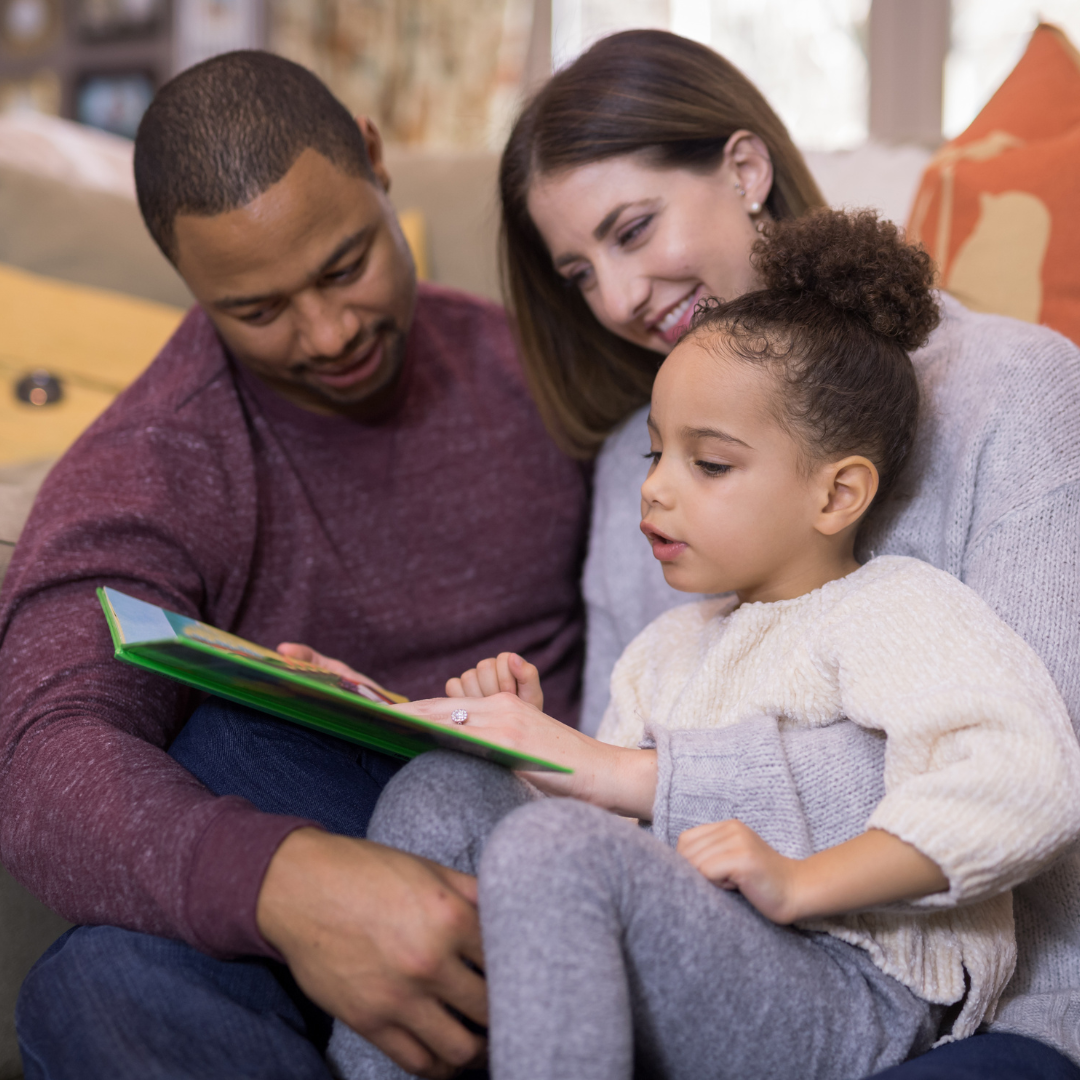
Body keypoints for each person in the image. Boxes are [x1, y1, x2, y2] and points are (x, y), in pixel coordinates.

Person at [325, 210, 1080, 1080]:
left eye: (708, 465)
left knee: (556, 851)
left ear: (837, 495)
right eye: (653, 456)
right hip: (709, 957)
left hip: (853, 986)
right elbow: (615, 842)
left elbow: (1027, 782)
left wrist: (806, 882)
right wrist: (529, 750)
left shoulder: (892, 611)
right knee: (440, 790)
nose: (655, 493)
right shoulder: (665, 648)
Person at [493, 28, 1080, 1080]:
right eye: (581, 270)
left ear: (746, 170)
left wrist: (642, 779)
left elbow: (1040, 765)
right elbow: (618, 764)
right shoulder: (645, 462)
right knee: (437, 798)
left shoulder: (1013, 389)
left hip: (1001, 999)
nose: (621, 298)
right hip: (729, 954)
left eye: (635, 229)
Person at [0, 51, 589, 1080]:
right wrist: (293, 882)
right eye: (259, 311)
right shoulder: (157, 462)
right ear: (184, 276)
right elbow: (40, 759)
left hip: (558, 845)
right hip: (305, 930)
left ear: (373, 159)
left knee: (227, 742)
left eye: (344, 265)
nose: (328, 335)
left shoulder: (540, 364)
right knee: (92, 990)